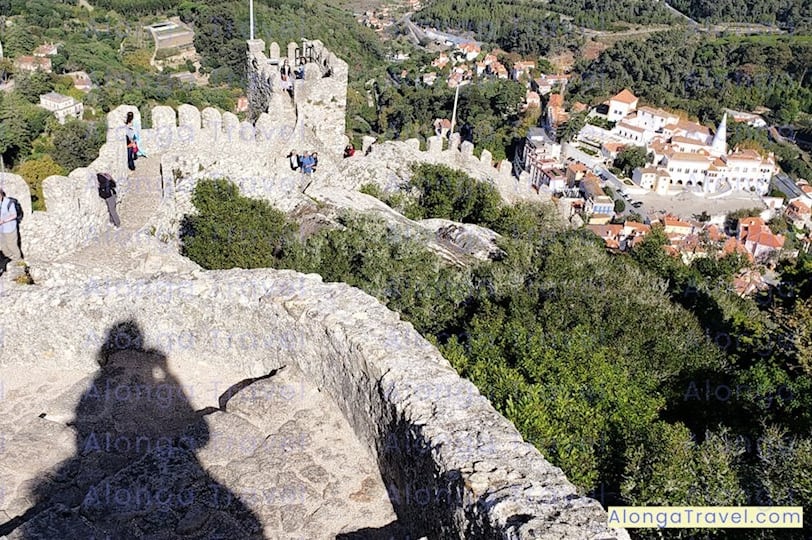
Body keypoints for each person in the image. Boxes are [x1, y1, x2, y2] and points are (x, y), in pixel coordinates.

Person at [0, 189, 22, 275]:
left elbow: (14, 215)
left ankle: (19, 261)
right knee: (2, 246)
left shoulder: (9, 203)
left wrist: (3, 221)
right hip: (1, 229)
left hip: (9, 228)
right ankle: (10, 258)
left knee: (11, 245)